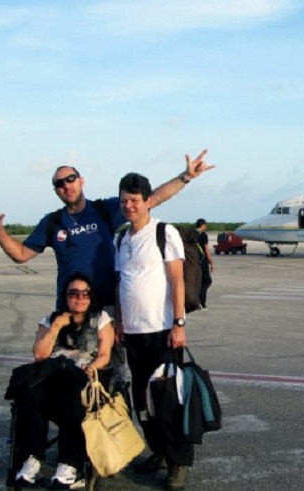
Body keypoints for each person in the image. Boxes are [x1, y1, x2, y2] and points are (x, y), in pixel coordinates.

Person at [0, 150, 214, 310]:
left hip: (109, 307)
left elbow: (153, 198)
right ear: (56, 191)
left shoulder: (104, 209)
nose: (66, 185)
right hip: (71, 309)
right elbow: (21, 254)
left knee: (112, 377)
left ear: (81, 181)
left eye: (70, 179)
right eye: (59, 184)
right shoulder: (52, 222)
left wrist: (185, 177)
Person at [113, 172, 191, 490]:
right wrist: (119, 322)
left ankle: (177, 464)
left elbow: (177, 280)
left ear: (148, 200)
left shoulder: (163, 232)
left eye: (134, 200)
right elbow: (121, 283)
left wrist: (179, 323)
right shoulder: (120, 238)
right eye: (123, 201)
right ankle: (158, 451)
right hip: (132, 333)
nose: (128, 206)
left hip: (162, 330)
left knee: (168, 399)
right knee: (142, 400)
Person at [6, 273, 115, 489]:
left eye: (85, 294)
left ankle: (69, 463)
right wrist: (56, 327)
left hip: (83, 373)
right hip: (53, 372)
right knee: (28, 390)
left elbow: (104, 355)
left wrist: (90, 368)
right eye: (74, 293)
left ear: (91, 297)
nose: (80, 298)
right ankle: (32, 458)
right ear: (65, 296)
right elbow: (39, 355)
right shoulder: (51, 319)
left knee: (73, 394)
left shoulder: (100, 319)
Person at [195, 218, 214, 310]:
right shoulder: (203, 235)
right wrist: (211, 262)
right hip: (202, 261)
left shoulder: (192, 234)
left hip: (193, 261)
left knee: (198, 281)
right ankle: (201, 302)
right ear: (202, 225)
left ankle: (196, 302)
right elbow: (206, 249)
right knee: (207, 281)